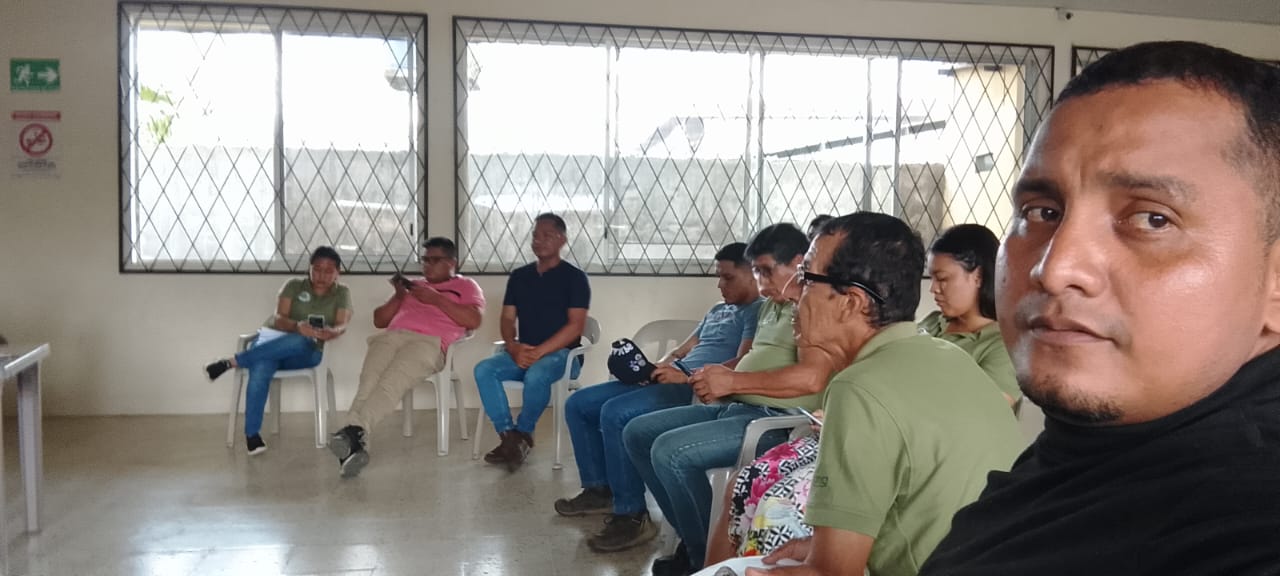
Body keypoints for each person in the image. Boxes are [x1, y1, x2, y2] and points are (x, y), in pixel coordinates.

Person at [920, 42, 1280, 575]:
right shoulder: (1095, 448)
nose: (1054, 268)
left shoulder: (1248, 522)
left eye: (1153, 219)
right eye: (1042, 211)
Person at [724, 212, 1023, 576]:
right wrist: (825, 549)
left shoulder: (858, 387)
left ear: (851, 302)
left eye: (805, 278)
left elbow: (833, 574)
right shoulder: (948, 355)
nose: (792, 294)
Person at [623, 223, 821, 575]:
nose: (761, 284)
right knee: (637, 433)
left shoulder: (813, 307)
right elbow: (748, 360)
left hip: (775, 419)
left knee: (671, 453)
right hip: (737, 405)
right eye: (757, 273)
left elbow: (811, 377)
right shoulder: (770, 307)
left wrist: (733, 380)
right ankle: (693, 541)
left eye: (766, 271)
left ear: (797, 263)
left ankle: (702, 561)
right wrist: (714, 374)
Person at [555, 242, 762, 553]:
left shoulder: (757, 311)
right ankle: (599, 490)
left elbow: (742, 364)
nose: (720, 285)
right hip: (670, 377)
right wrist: (656, 367)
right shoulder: (716, 311)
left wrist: (686, 376)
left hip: (693, 387)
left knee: (615, 413)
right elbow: (681, 350)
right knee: (579, 404)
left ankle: (632, 514)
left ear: (753, 274)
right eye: (718, 277)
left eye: (728, 277)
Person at [328, 237, 484, 478]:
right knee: (368, 382)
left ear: (452, 263)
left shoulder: (467, 286)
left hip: (429, 343)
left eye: (435, 260)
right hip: (393, 337)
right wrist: (399, 296)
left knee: (391, 382)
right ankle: (354, 443)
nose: (427, 265)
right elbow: (379, 320)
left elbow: (474, 320)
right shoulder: (414, 287)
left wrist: (436, 298)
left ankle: (351, 433)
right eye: (425, 260)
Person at [204, 246, 352, 455]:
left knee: (300, 341)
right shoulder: (293, 286)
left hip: (307, 353)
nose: (322, 275)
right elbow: (278, 319)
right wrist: (297, 326)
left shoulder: (342, 292)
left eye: (328, 271)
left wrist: (331, 332)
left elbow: (341, 324)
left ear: (338, 272)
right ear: (309, 268)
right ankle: (252, 436)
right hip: (272, 343)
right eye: (317, 269)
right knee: (261, 366)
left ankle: (231, 362)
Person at [474, 213, 591, 471]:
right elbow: (507, 318)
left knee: (537, 373)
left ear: (562, 240)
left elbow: (575, 327)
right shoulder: (520, 277)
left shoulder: (575, 278)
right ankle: (509, 437)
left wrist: (538, 352)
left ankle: (523, 433)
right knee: (484, 369)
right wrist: (513, 346)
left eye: (547, 235)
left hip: (563, 356)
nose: (539, 240)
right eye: (535, 235)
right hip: (523, 352)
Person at [918, 224, 1019, 405]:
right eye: (932, 279)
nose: (933, 289)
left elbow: (985, 409)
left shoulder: (1002, 346)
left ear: (978, 276)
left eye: (942, 279)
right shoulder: (932, 322)